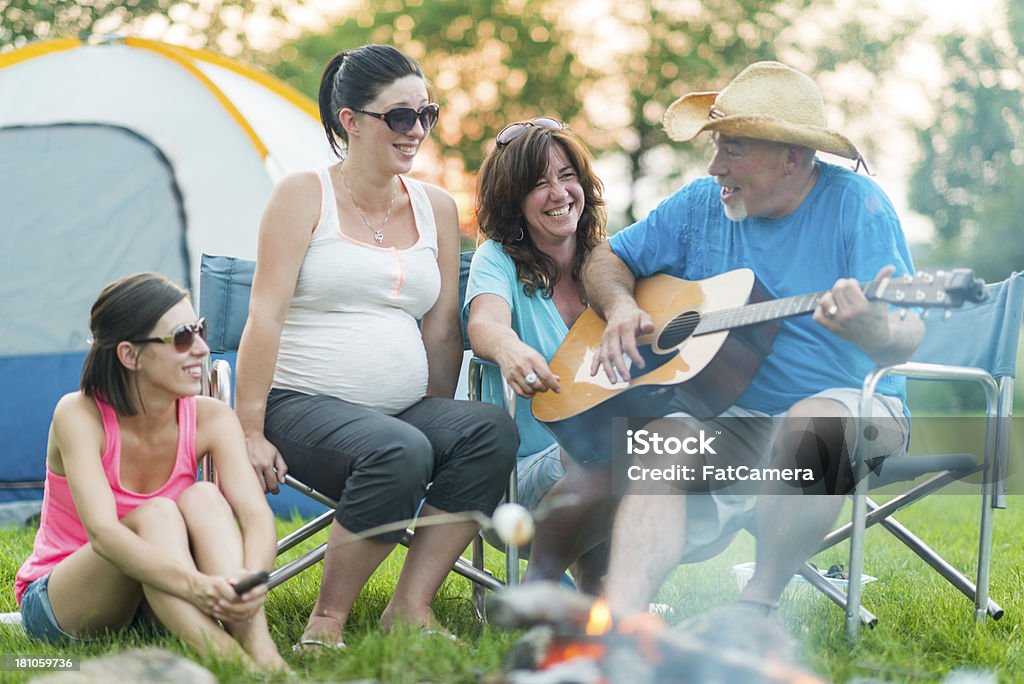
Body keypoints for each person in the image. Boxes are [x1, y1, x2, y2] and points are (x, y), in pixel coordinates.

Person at [583, 61, 923, 645]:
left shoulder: (858, 206)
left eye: (733, 150)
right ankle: (619, 623)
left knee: (814, 424)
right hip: (731, 413)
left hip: (854, 410)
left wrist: (869, 328)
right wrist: (618, 306)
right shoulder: (699, 204)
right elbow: (602, 258)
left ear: (792, 157)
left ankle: (756, 607)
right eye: (716, 147)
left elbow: (907, 334)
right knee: (664, 438)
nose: (715, 167)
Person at [234, 44, 517, 652]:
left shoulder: (438, 207)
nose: (417, 130)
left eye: (426, 114)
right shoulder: (302, 194)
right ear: (350, 121)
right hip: (301, 404)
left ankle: (409, 608)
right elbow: (264, 316)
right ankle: (326, 623)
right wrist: (250, 430)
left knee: (488, 429)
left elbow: (441, 328)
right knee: (400, 448)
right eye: (399, 116)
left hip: (400, 413)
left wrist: (439, 421)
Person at [14, 273, 287, 673]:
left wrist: (254, 579)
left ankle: (262, 651)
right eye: (181, 337)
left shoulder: (212, 418)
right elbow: (105, 535)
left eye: (200, 330)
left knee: (204, 497)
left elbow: (255, 516)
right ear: (130, 355)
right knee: (157, 513)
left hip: (157, 597)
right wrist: (196, 585)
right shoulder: (78, 415)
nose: (202, 349)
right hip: (64, 600)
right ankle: (233, 663)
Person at [465, 119, 614, 594]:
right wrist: (509, 348)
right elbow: (484, 323)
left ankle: (596, 598)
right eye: (537, 183)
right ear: (513, 200)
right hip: (516, 484)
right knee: (606, 449)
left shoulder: (609, 263)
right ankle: (545, 584)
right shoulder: (497, 259)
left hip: (607, 467)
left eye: (567, 175)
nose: (559, 193)